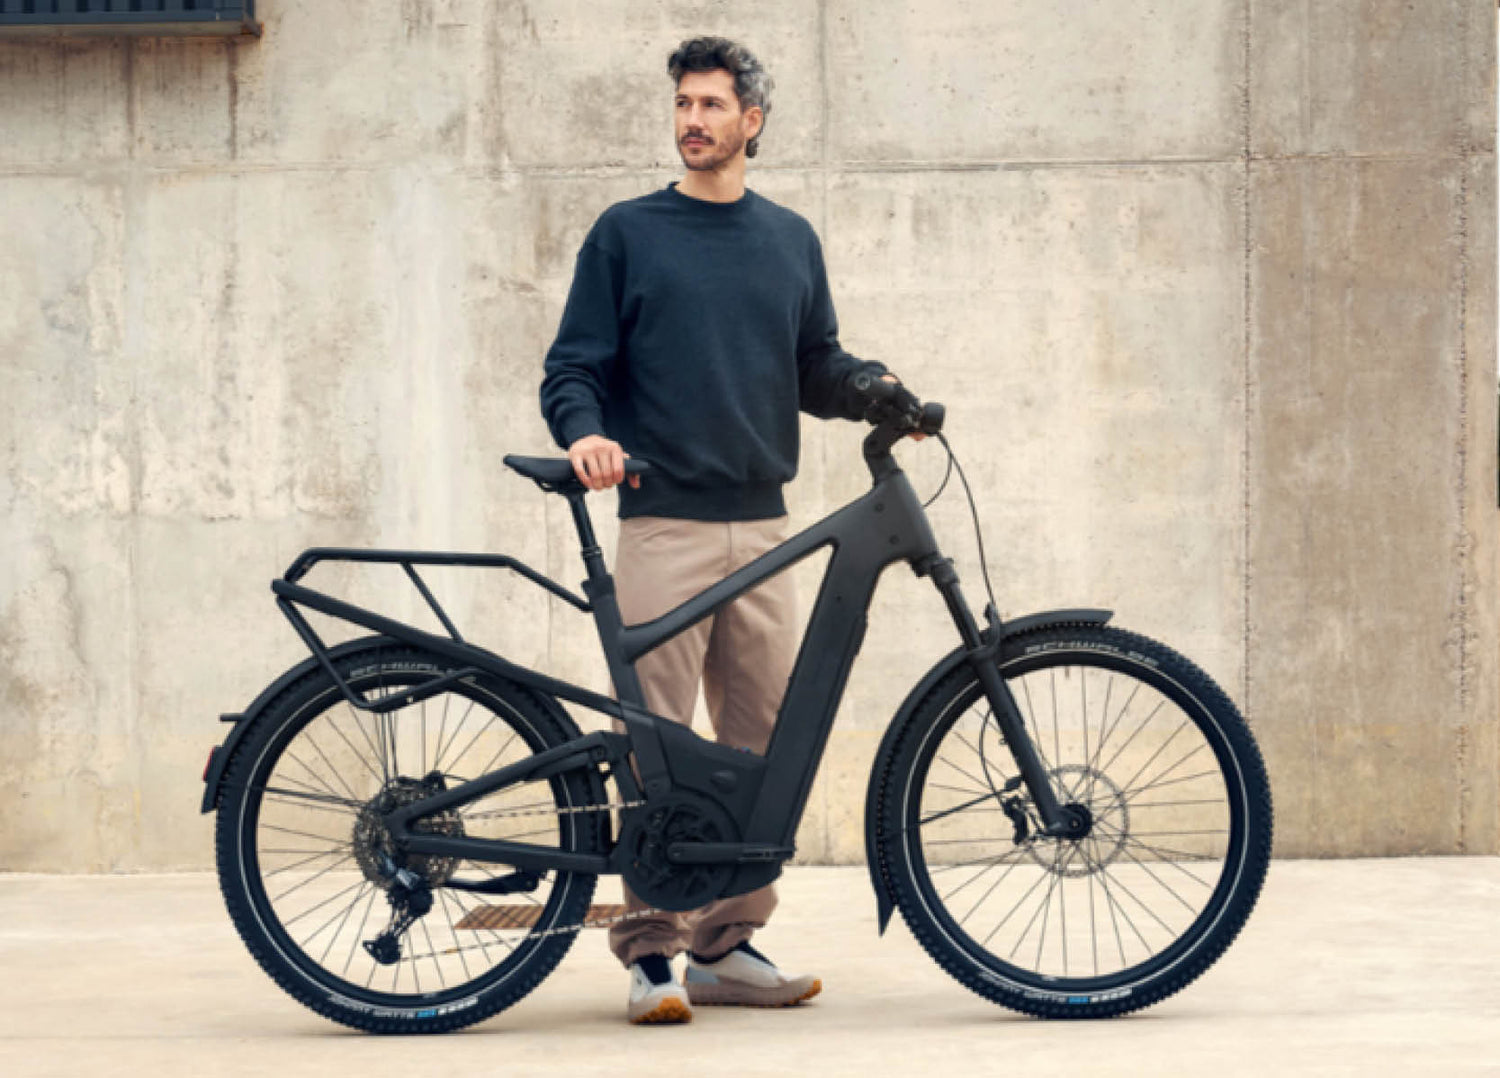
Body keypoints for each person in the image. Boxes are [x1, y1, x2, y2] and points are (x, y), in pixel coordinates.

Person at [539, 35, 909, 1025]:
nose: (693, 120)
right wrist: (587, 436)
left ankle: (726, 941)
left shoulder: (789, 241)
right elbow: (572, 367)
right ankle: (652, 952)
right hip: (665, 526)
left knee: (763, 750)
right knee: (657, 751)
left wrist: (872, 387)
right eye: (683, 105)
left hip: (766, 530)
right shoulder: (628, 234)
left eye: (712, 105)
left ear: (753, 121)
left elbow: (814, 364)